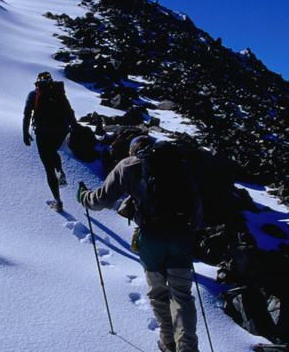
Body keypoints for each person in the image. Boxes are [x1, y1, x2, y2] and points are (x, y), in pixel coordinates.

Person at [77, 136, 202, 352]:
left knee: (158, 292)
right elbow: (196, 205)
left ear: (133, 150)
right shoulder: (177, 162)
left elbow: (103, 200)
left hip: (151, 236)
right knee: (182, 294)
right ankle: (187, 348)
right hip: (181, 235)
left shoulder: (129, 165)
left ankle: (168, 343)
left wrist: (83, 196)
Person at [23, 71, 77, 211]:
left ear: (38, 81)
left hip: (42, 133)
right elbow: (69, 111)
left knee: (48, 167)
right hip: (61, 132)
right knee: (53, 152)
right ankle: (60, 171)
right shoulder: (58, 92)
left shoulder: (35, 94)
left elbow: (27, 114)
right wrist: (75, 127)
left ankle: (58, 201)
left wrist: (25, 132)